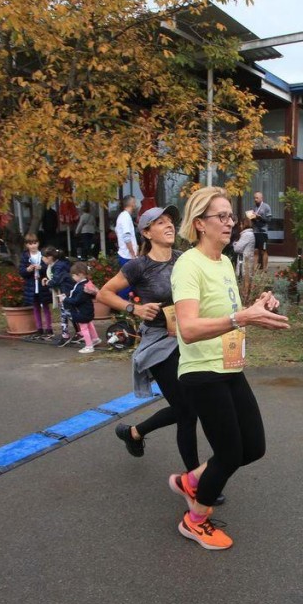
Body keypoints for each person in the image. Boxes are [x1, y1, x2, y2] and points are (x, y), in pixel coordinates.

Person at [168, 186, 290, 550]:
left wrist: (256, 307)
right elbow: (188, 328)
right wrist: (241, 317)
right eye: (221, 216)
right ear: (199, 223)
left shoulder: (222, 262)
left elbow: (229, 315)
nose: (230, 222)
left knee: (253, 447)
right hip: (202, 372)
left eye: (231, 216)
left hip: (229, 366)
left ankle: (191, 481)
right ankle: (194, 520)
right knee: (230, 453)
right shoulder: (188, 265)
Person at [96, 205, 210, 499]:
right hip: (159, 343)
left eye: (170, 221)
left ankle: (134, 432)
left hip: (187, 338)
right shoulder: (139, 266)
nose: (169, 225)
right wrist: (133, 308)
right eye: (160, 223)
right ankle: (194, 482)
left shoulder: (184, 259)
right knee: (187, 411)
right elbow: (104, 293)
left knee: (191, 407)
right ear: (146, 233)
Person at [18, 232, 53, 339]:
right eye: (30, 244)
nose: (33, 246)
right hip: (31, 285)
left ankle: (49, 328)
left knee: (45, 306)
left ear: (38, 243)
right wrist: (27, 270)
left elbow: (49, 267)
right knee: (36, 307)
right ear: (27, 245)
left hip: (42, 284)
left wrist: (41, 268)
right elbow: (21, 271)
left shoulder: (42, 254)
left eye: (35, 243)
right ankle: (39, 328)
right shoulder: (25, 256)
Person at [63, 261, 100, 354]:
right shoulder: (87, 284)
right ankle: (95, 339)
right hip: (88, 309)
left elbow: (76, 300)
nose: (72, 277)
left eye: (73, 275)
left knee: (84, 328)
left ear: (80, 274)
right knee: (89, 324)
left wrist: (65, 299)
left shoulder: (81, 287)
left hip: (81, 311)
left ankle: (89, 346)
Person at [41, 246, 75, 347]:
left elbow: (56, 280)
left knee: (67, 314)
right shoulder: (60, 264)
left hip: (66, 291)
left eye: (43, 257)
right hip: (66, 291)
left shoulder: (58, 266)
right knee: (66, 313)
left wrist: (47, 282)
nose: (42, 259)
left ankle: (69, 335)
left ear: (49, 258)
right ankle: (73, 334)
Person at [232, 213, 255, 294]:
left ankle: (244, 296)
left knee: (245, 280)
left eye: (241, 224)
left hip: (245, 261)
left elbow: (237, 249)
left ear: (244, 224)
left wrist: (234, 243)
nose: (240, 226)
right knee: (246, 280)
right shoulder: (249, 234)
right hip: (247, 259)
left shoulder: (246, 235)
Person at [250, 191, 271, 272]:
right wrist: (251, 217)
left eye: (257, 198)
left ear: (261, 198)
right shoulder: (254, 207)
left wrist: (260, 217)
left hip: (263, 232)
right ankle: (255, 269)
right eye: (254, 198)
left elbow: (269, 220)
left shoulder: (266, 207)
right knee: (255, 251)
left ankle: (265, 268)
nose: (255, 199)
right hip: (255, 232)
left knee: (263, 250)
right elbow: (253, 220)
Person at [114, 196, 138, 265]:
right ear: (131, 203)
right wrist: (133, 254)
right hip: (127, 256)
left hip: (126, 255)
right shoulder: (125, 217)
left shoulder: (123, 216)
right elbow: (126, 237)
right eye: (134, 202)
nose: (135, 204)